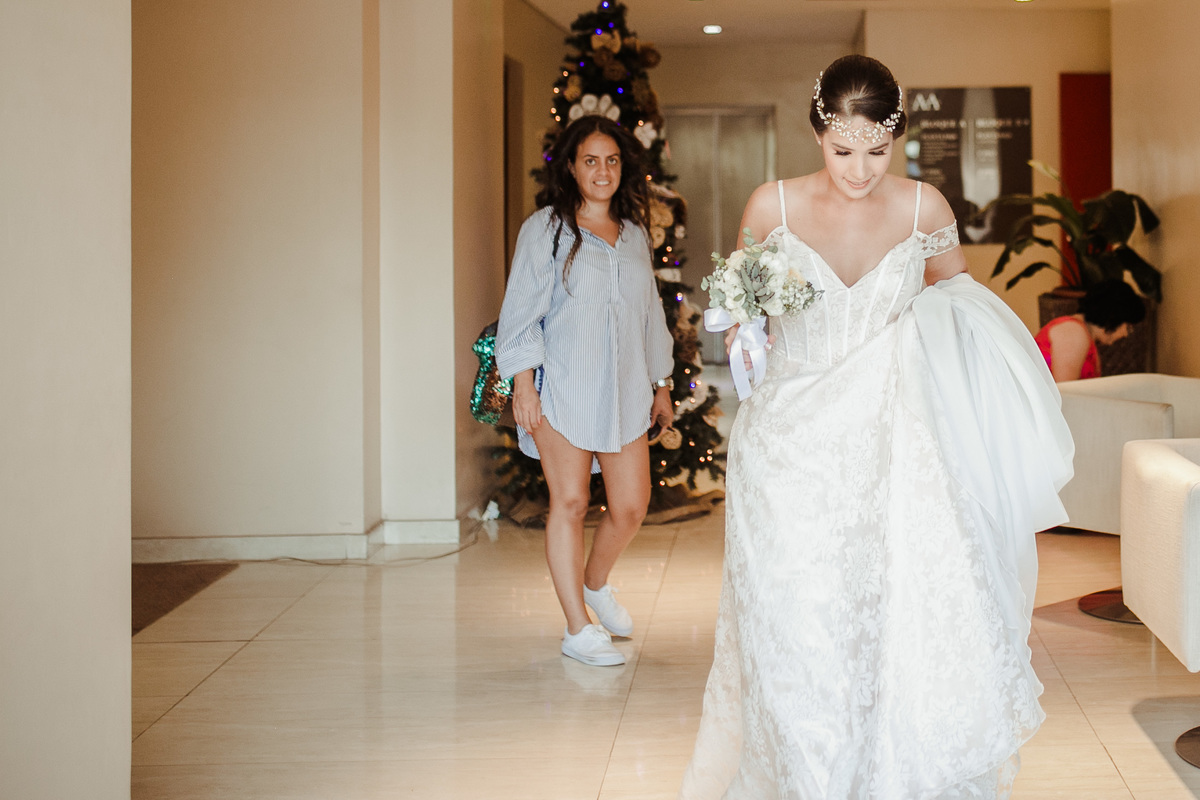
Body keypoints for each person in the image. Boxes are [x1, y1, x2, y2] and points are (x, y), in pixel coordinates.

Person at [678, 55, 1074, 799]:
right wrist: (742, 327)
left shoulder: (925, 208)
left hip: (894, 443)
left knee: (891, 622)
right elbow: (738, 308)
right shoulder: (773, 207)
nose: (859, 170)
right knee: (795, 629)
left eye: (876, 150)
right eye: (841, 150)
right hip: (787, 451)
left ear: (895, 136)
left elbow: (960, 307)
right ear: (818, 131)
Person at [495, 115, 675, 668]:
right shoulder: (545, 228)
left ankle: (594, 584)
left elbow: (650, 317)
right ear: (571, 167)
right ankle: (577, 627)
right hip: (562, 389)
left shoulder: (636, 235)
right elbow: (521, 309)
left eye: (612, 160)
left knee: (630, 505)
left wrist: (661, 384)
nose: (603, 171)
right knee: (569, 502)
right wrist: (523, 384)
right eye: (591, 160)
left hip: (624, 391)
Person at [1035, 279, 1146, 381]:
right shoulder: (1074, 332)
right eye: (1127, 327)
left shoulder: (1081, 332)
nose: (1125, 334)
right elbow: (1065, 392)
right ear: (1115, 316)